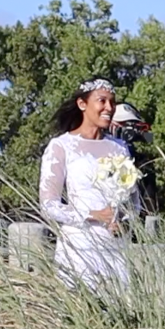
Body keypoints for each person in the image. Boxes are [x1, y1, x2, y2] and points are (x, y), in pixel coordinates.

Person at [38, 77, 141, 297]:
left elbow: (134, 202)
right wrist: (92, 214)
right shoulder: (61, 146)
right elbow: (48, 205)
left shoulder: (120, 148)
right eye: (102, 101)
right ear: (82, 104)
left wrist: (124, 221)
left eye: (112, 102)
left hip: (115, 248)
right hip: (79, 247)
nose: (109, 108)